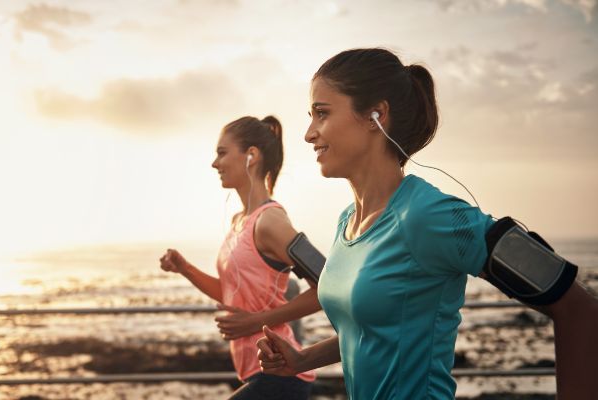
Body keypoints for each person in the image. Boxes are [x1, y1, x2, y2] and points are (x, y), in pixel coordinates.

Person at [256, 48, 598, 399]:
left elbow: (579, 308)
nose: (309, 133)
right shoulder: (348, 221)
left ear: (377, 114)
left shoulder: (429, 216)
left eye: (322, 114)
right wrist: (301, 359)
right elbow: (374, 326)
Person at [159, 115, 321, 400]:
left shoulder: (270, 221)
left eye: (222, 153)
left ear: (251, 156)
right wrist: (185, 268)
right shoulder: (239, 221)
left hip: (282, 374)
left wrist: (258, 321)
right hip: (256, 372)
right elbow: (230, 293)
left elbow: (329, 285)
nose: (214, 163)